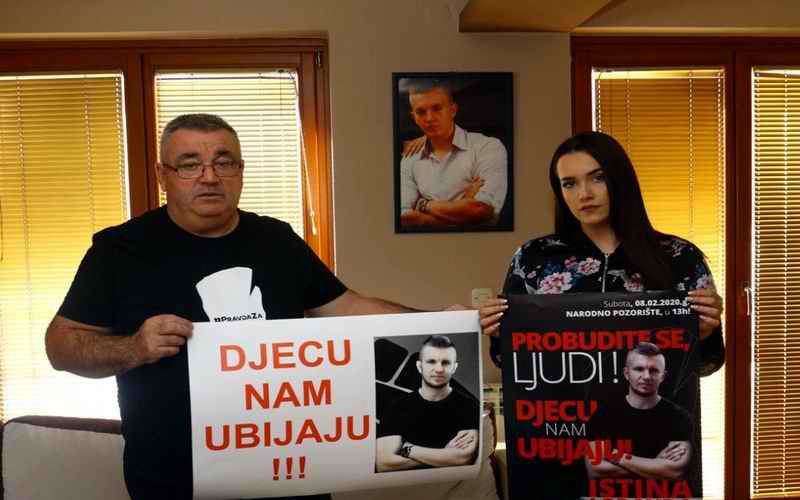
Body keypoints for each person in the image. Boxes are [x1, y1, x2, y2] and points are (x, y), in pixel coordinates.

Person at [44, 113, 454, 500]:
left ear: (240, 172)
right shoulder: (119, 251)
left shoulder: (277, 241)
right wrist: (135, 347)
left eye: (224, 163)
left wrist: (443, 323)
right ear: (162, 175)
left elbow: (346, 308)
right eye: (189, 164)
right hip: (174, 483)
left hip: (290, 477)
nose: (209, 177)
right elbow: (61, 346)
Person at [480, 131, 725, 376]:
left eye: (598, 178)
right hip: (563, 398)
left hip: (651, 400)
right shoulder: (532, 258)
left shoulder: (681, 256)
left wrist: (704, 333)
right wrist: (501, 332)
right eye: (569, 184)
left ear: (620, 180)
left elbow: (706, 364)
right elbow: (508, 361)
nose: (584, 194)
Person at [399, 80, 508, 228]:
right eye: (421, 112)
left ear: (453, 110)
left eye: (437, 108)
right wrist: (462, 207)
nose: (429, 118)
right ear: (414, 118)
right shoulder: (410, 157)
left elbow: (480, 211)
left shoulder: (487, 147)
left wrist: (423, 204)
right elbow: (404, 218)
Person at [585, 342, 693, 485]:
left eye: (654, 370)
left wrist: (617, 456)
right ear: (626, 373)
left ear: (663, 376)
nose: (646, 376)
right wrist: (656, 465)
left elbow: (675, 472)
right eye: (639, 369)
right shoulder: (603, 414)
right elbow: (594, 470)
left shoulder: (679, 416)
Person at [375, 335, 480, 471]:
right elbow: (384, 463)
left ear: (454, 368)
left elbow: (462, 459)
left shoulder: (470, 406)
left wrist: (408, 449)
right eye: (431, 362)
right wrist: (445, 455)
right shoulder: (396, 407)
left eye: (446, 363)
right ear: (419, 366)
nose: (439, 369)